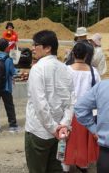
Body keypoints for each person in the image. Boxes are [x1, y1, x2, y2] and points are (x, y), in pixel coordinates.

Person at [25, 30, 75, 173]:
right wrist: (64, 125)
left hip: (39, 131)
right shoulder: (65, 68)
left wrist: (54, 129)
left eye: (36, 45)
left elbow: (40, 105)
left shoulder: (37, 69)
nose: (33, 48)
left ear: (48, 48)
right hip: (60, 132)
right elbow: (71, 100)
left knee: (37, 169)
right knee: (55, 168)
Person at [63, 42, 100, 173]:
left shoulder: (66, 69)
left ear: (73, 54)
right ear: (86, 55)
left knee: (67, 139)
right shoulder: (93, 72)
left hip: (68, 111)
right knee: (83, 141)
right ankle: (83, 165)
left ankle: (65, 165)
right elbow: (97, 92)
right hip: (86, 112)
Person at [0, 38, 19, 134]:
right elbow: (12, 72)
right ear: (7, 47)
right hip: (5, 86)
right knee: (9, 105)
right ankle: (12, 126)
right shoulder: (8, 59)